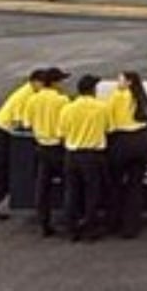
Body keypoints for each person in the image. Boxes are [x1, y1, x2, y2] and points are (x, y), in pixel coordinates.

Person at [0, 69, 48, 222]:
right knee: (1, 172)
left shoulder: (28, 92)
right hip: (1, 135)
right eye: (44, 84)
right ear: (35, 82)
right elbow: (21, 124)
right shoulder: (26, 96)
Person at [58, 73, 112, 241]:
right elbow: (108, 129)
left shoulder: (67, 108)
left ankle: (71, 229)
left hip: (72, 154)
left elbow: (61, 133)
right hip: (93, 155)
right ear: (93, 90)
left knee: (71, 192)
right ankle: (90, 229)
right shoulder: (102, 107)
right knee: (92, 193)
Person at [24, 67, 71, 236]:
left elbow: (27, 124)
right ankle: (69, 221)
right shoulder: (62, 101)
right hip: (59, 147)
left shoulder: (32, 100)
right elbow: (67, 126)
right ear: (55, 83)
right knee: (69, 186)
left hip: (41, 147)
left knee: (42, 188)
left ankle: (44, 223)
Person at [107, 71, 147, 238]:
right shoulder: (142, 97)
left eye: (119, 79)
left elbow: (109, 122)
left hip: (122, 142)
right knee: (135, 186)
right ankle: (132, 226)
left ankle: (114, 223)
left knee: (116, 184)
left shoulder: (117, 96)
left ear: (128, 82)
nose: (117, 82)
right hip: (142, 140)